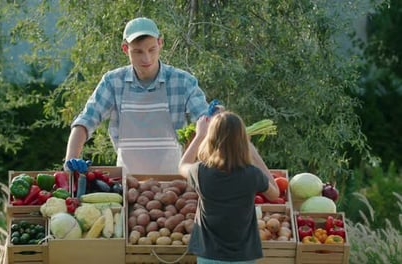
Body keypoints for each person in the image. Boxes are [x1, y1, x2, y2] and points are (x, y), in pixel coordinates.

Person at [63, 17, 212, 175]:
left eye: (151, 49)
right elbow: (85, 122)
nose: (146, 58)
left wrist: (216, 118)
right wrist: (70, 159)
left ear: (160, 43)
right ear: (125, 49)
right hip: (127, 184)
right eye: (138, 51)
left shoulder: (183, 81)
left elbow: (207, 123)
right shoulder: (113, 82)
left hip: (175, 183)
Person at [178, 111, 280, 264]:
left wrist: (199, 136)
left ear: (211, 140)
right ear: (243, 142)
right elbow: (275, 193)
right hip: (243, 256)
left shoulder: (201, 172)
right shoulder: (252, 174)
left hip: (209, 255)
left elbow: (182, 166)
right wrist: (254, 153)